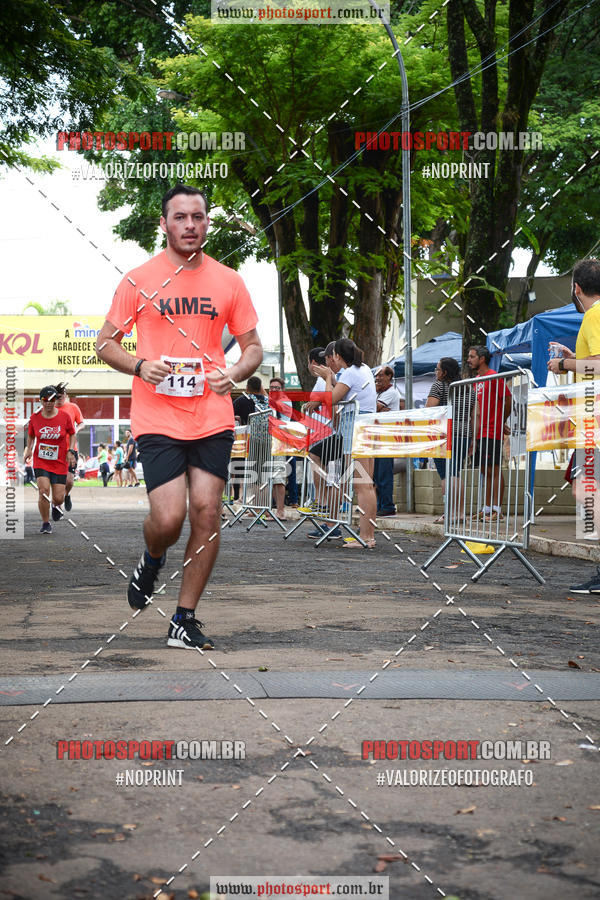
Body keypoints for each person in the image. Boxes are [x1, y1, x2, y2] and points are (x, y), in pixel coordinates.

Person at [96, 183, 262, 650]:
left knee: (207, 512)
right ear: (164, 224)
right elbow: (105, 343)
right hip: (158, 415)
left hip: (211, 413)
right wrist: (140, 366)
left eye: (198, 217)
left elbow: (252, 348)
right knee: (168, 520)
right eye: (180, 218)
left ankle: (183, 619)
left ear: (207, 222)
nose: (190, 225)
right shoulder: (137, 280)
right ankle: (152, 559)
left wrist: (233, 374)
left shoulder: (229, 281)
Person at [547, 258, 600, 593]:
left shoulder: (593, 315)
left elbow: (597, 365)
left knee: (590, 494)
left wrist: (563, 363)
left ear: (577, 288)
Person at [313, 338, 377, 548]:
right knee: (366, 485)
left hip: (356, 428)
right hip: (365, 427)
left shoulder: (350, 372)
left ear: (338, 356)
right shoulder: (364, 368)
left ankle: (367, 537)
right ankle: (368, 535)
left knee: (362, 485)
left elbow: (331, 399)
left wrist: (328, 378)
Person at [426, 357, 474, 523]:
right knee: (456, 472)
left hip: (445, 434)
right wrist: (472, 438)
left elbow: (430, 409)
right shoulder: (468, 388)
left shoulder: (440, 385)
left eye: (437, 369)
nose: (436, 372)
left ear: (444, 372)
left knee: (446, 475)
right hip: (465, 433)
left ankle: (449, 513)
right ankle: (460, 513)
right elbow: (475, 416)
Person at [466, 345, 511, 520]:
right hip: (479, 433)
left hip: (491, 431)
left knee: (494, 470)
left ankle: (497, 510)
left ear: (482, 359)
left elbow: (508, 399)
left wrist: (502, 420)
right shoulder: (477, 379)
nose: (469, 360)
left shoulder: (494, 377)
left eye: (472, 357)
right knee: (485, 470)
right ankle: (486, 508)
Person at [24, 386, 76, 533]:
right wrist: (28, 449)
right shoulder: (35, 418)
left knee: (58, 498)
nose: (48, 403)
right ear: (41, 401)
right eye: (45, 400)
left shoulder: (64, 416)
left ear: (55, 400)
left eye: (52, 400)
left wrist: (71, 450)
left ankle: (56, 505)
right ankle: (46, 523)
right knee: (43, 491)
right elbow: (31, 435)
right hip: (41, 460)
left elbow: (72, 434)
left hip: (59, 461)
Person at [373, 366, 403, 517]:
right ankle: (380, 505)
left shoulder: (390, 393)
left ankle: (387, 506)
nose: (377, 379)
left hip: (386, 438)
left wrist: (377, 408)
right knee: (377, 474)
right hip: (379, 437)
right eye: (376, 376)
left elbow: (373, 408)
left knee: (384, 473)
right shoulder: (380, 393)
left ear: (389, 376)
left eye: (380, 376)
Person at [54, 384, 84, 512]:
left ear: (66, 396)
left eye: (62, 396)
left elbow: (81, 422)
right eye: (58, 396)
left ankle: (67, 495)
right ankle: (56, 506)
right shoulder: (50, 408)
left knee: (69, 481)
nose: (60, 398)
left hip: (71, 449)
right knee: (57, 481)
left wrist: (76, 430)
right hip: (55, 450)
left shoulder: (73, 407)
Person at [267, 376, 291, 521]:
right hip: (271, 441)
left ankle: (281, 511)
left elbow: (281, 421)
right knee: (272, 477)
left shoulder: (284, 401)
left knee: (279, 477)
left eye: (277, 388)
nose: (274, 390)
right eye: (272, 388)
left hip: (280, 441)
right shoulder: (271, 402)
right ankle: (276, 510)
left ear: (282, 390)